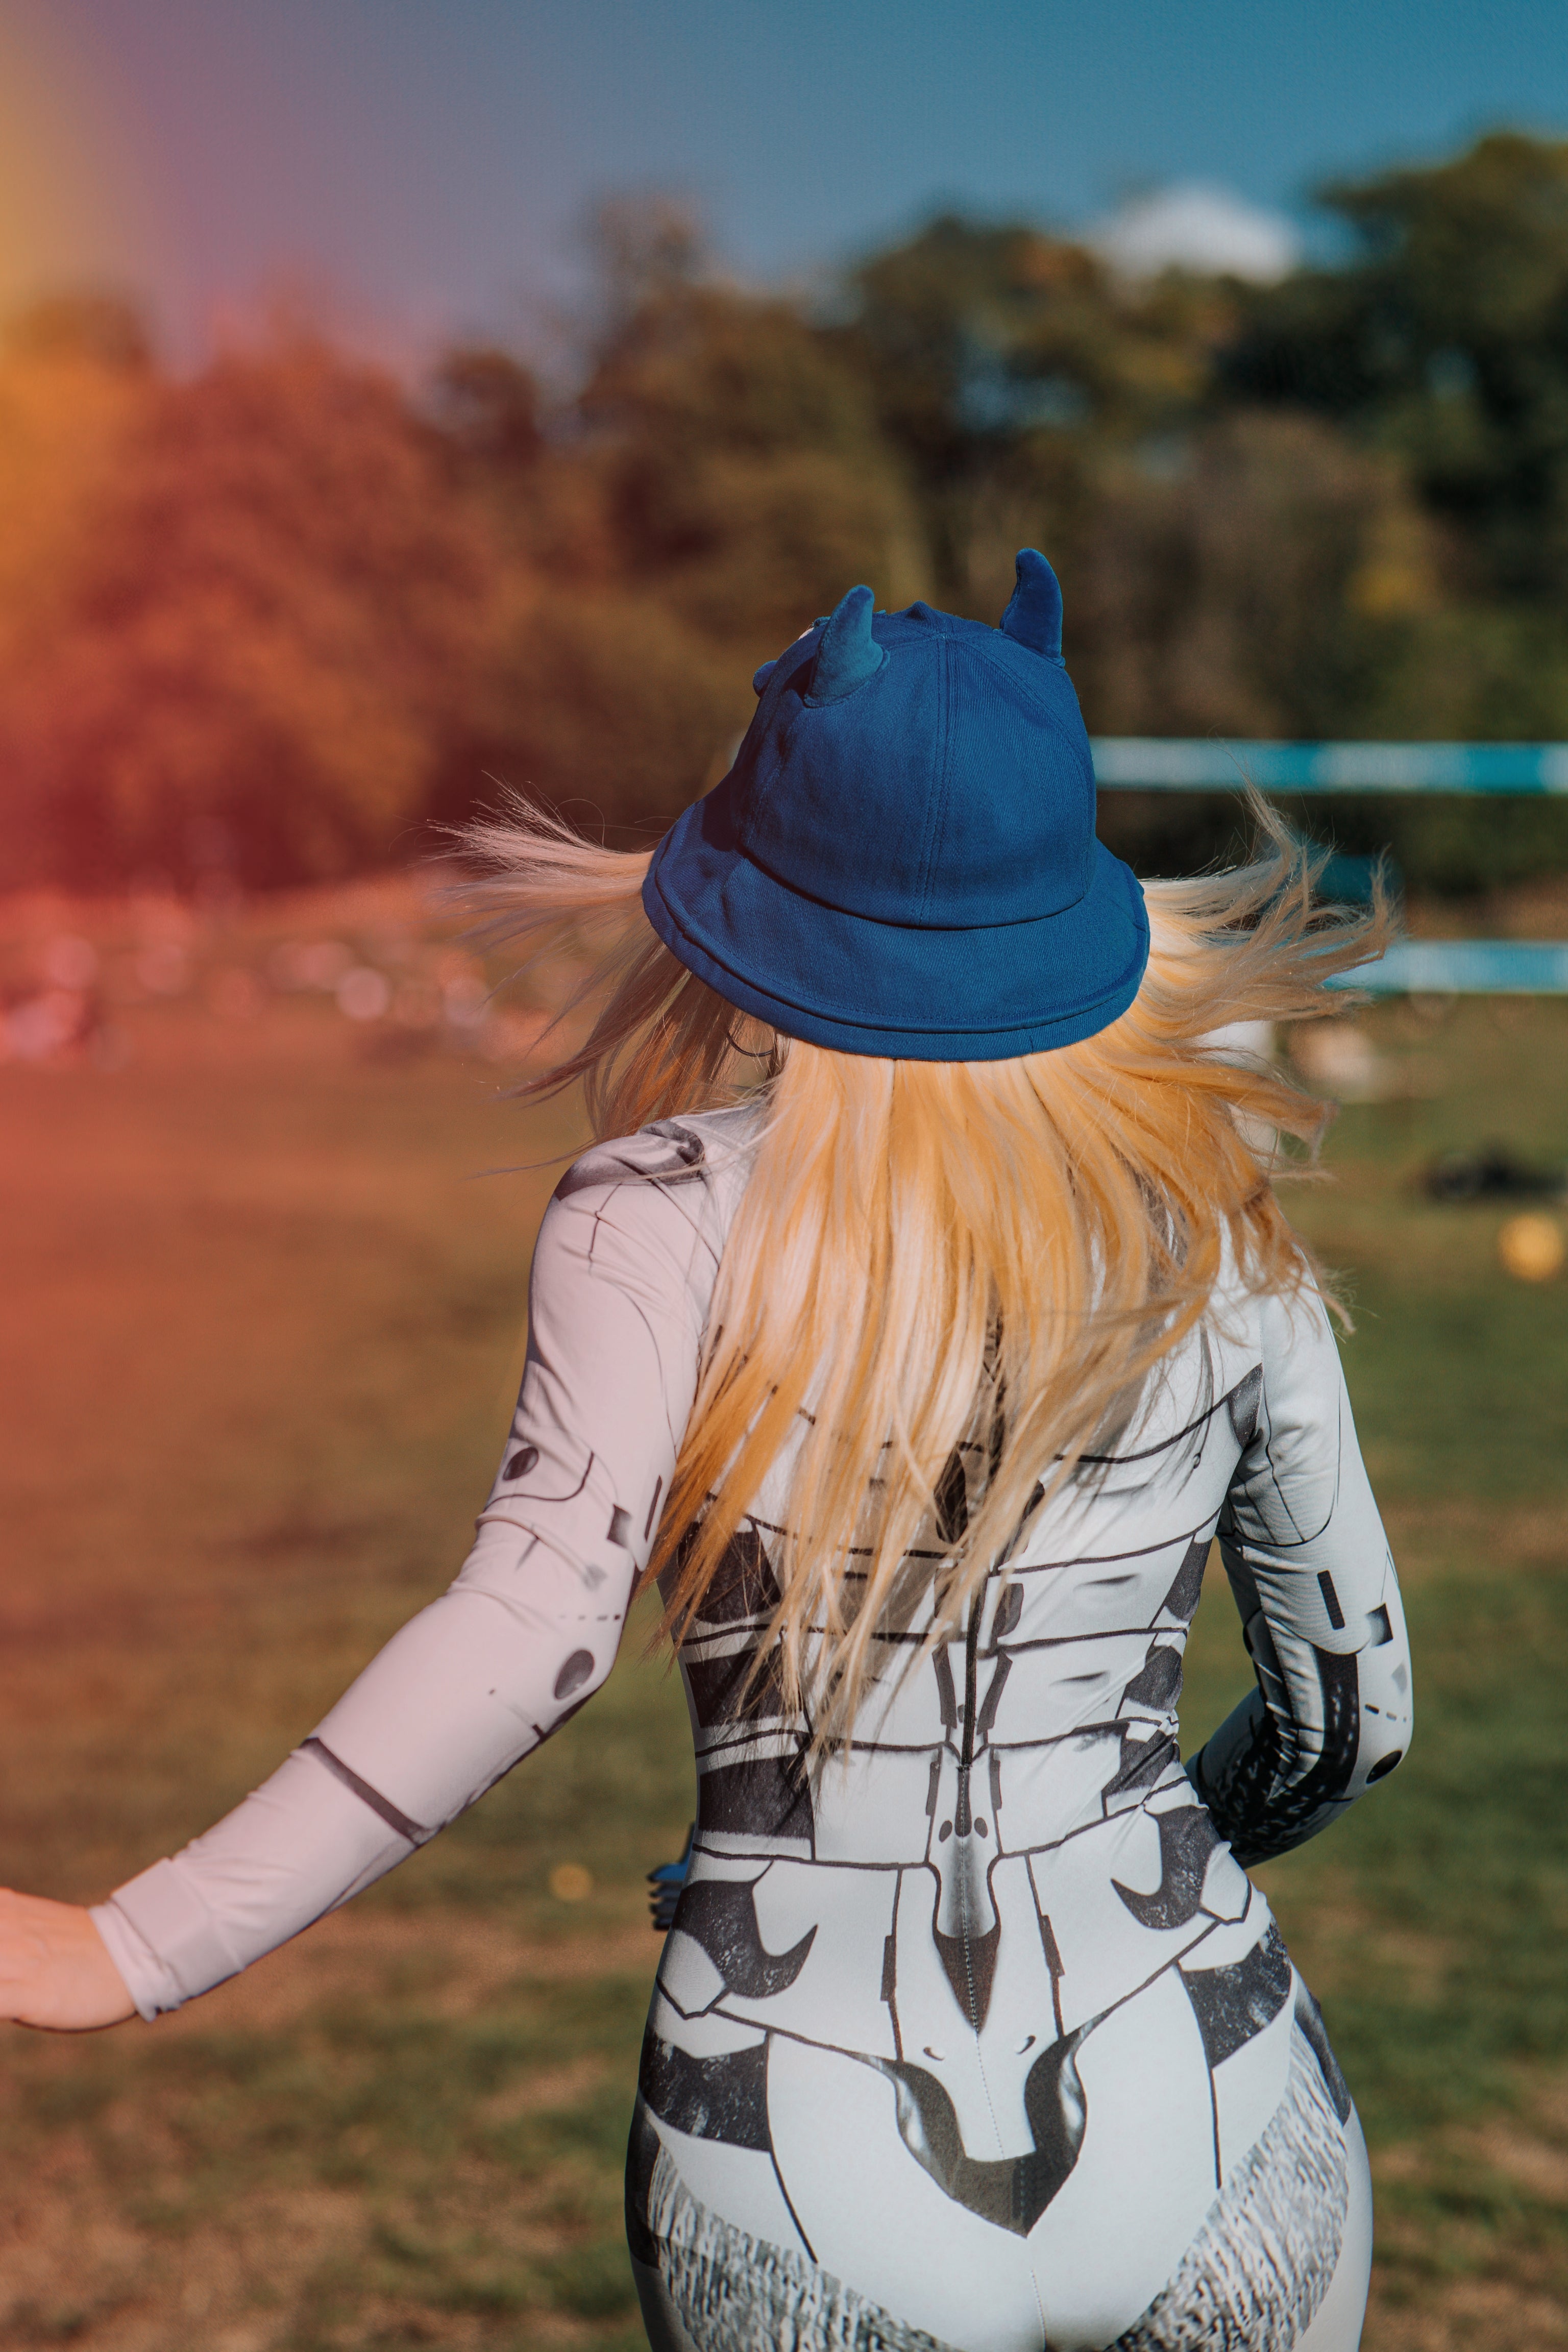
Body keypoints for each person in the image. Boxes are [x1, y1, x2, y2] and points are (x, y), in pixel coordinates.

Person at [0, 556, 1411, 2352]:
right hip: (1212, 2071)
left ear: (759, 904)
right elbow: (1356, 1720)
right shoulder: (1228, 1231)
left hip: (786, 2114)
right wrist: (1159, 1860)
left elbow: (531, 1631)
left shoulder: (649, 1217)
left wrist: (134, 1944)